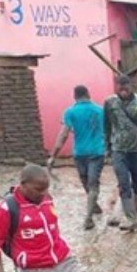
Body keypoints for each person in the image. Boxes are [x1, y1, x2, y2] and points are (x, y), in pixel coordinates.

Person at [48, 85, 106, 230]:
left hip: (80, 154)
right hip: (97, 152)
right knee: (93, 184)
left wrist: (53, 156)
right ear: (88, 94)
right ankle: (93, 207)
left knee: (86, 182)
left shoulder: (70, 112)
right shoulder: (100, 111)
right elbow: (108, 131)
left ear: (75, 96)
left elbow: (63, 135)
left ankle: (88, 217)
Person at [103, 75, 137, 231]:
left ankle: (136, 213)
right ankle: (130, 217)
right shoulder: (110, 103)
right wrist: (106, 147)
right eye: (119, 86)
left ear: (131, 86)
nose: (123, 89)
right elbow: (106, 126)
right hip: (118, 149)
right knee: (124, 182)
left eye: (125, 86)